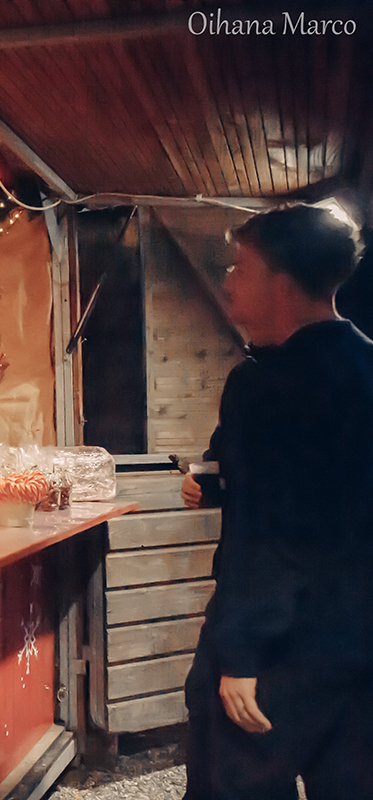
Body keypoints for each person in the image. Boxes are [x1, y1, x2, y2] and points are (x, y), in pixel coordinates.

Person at [180, 204, 373, 799]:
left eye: (241, 266)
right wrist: (218, 477)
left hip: (277, 655)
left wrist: (239, 655)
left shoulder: (262, 387)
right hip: (358, 649)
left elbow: (268, 534)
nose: (229, 280)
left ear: (282, 285)